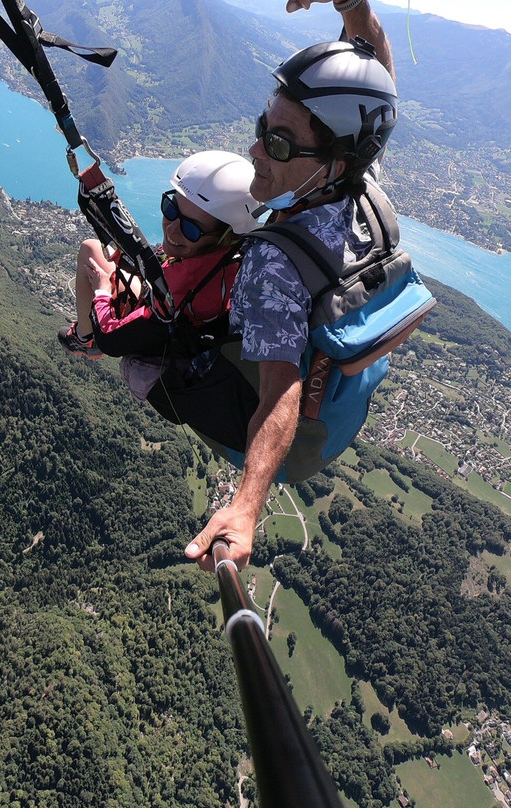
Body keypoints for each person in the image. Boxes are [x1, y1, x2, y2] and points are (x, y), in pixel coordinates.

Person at [184, 0, 399, 571]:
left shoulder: (275, 264)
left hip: (286, 441)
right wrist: (356, 11)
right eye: (263, 128)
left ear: (330, 161)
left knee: (145, 366)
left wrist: (246, 507)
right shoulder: (365, 192)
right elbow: (378, 93)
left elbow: (280, 391)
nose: (255, 149)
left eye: (278, 143)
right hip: (337, 423)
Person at [58, 151, 262, 396]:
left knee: (90, 250)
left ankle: (84, 338)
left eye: (191, 229)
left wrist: (102, 290)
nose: (172, 230)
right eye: (171, 209)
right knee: (111, 254)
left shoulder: (178, 292)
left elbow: (111, 339)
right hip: (172, 309)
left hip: (160, 328)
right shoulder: (236, 259)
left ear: (226, 236)